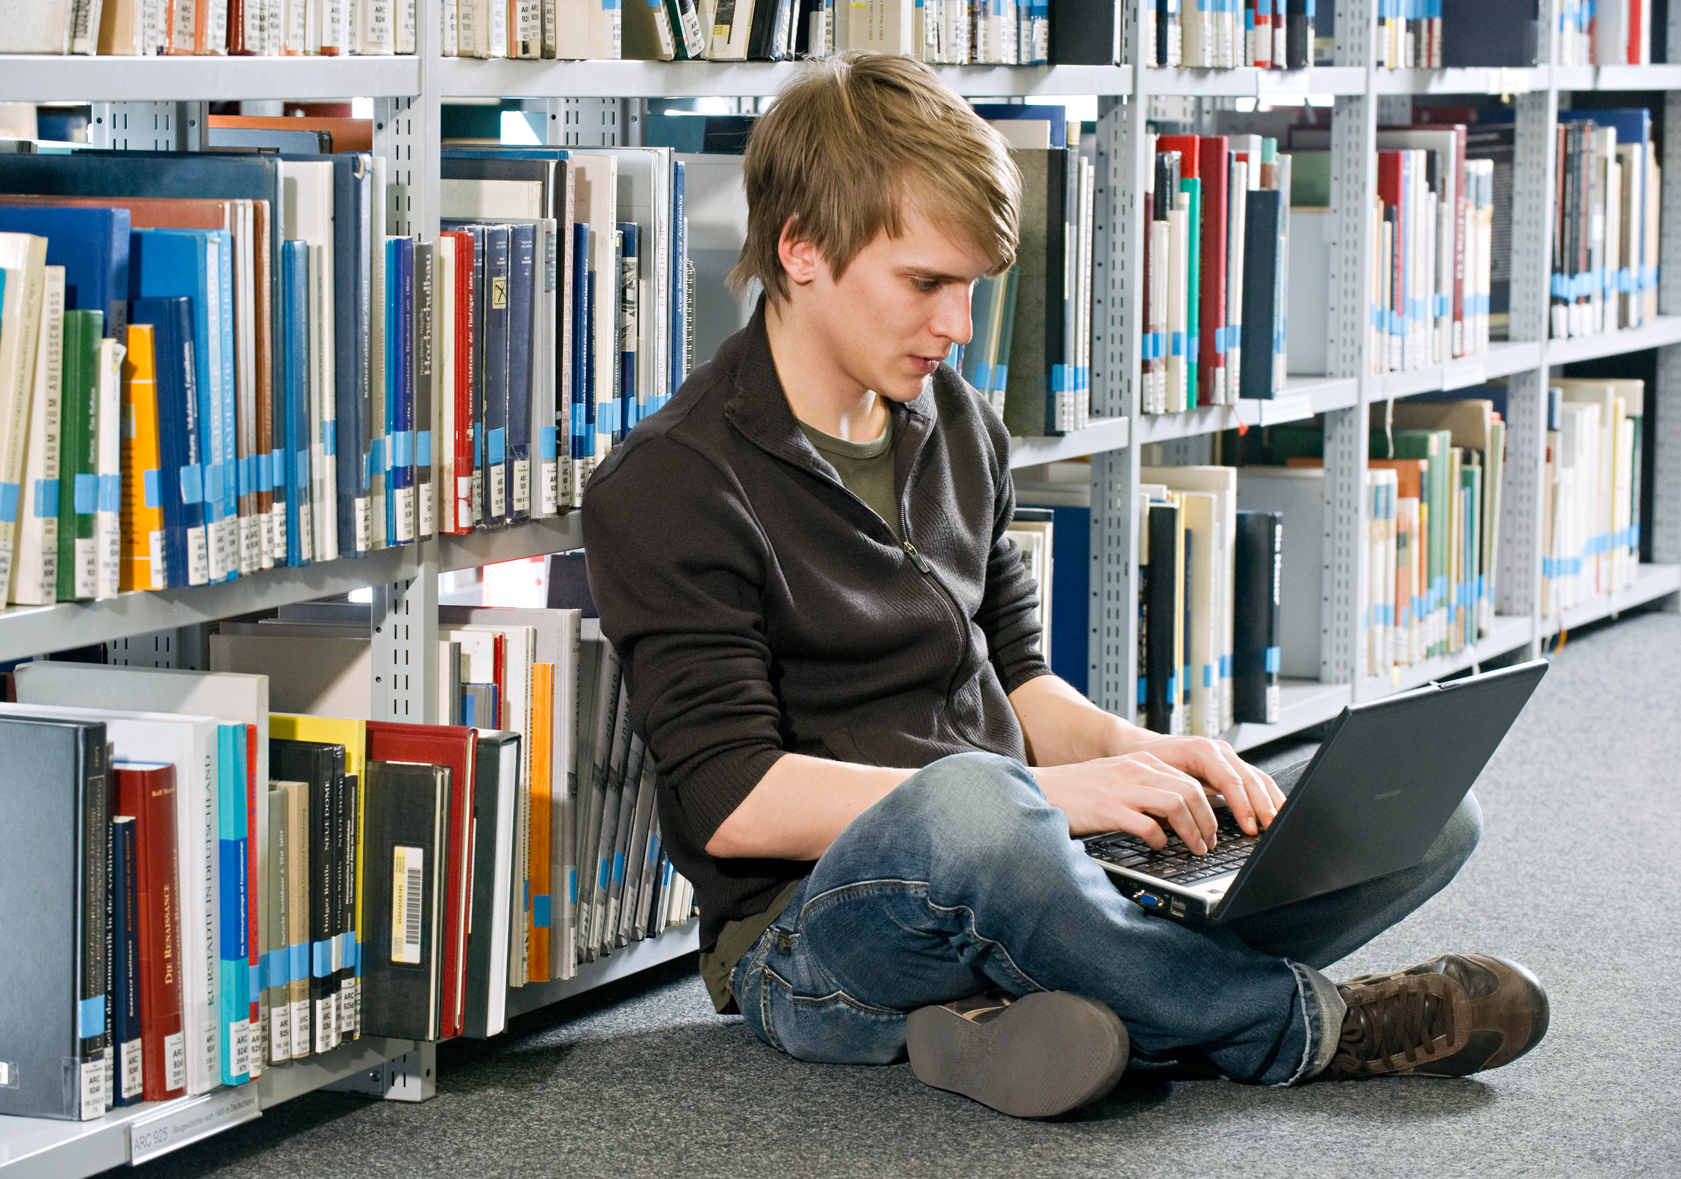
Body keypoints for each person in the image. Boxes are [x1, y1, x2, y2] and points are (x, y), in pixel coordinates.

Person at [580, 51, 1548, 1119]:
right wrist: (1037, 800)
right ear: (799, 249)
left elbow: (1018, 683)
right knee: (973, 809)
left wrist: (1141, 756)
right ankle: (1306, 1025)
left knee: (1419, 818)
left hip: (1027, 858)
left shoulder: (958, 424)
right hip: (812, 933)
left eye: (970, 288)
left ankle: (1061, 1002)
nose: (956, 327)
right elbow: (732, 801)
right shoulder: (670, 481)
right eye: (923, 283)